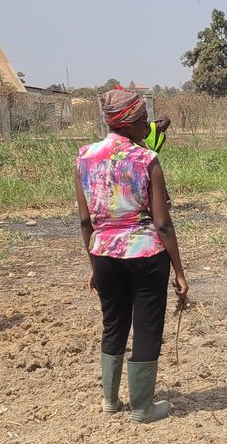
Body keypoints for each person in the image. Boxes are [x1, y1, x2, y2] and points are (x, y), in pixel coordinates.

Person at [76, 88, 188, 423]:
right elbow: (163, 223)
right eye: (142, 120)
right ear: (130, 122)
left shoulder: (84, 157)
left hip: (104, 254)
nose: (147, 125)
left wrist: (94, 261)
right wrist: (180, 271)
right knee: (146, 327)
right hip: (145, 255)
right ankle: (141, 407)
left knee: (113, 325)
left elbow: (85, 220)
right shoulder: (146, 160)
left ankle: (110, 401)